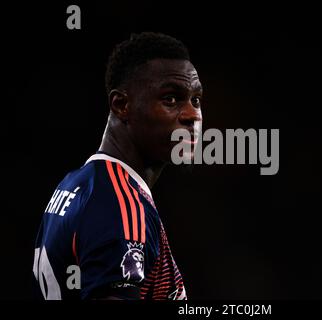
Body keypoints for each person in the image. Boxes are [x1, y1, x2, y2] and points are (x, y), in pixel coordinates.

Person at [32, 32, 203, 300]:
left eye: (196, 100)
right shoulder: (121, 204)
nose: (192, 114)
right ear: (121, 105)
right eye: (171, 99)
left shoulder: (75, 185)